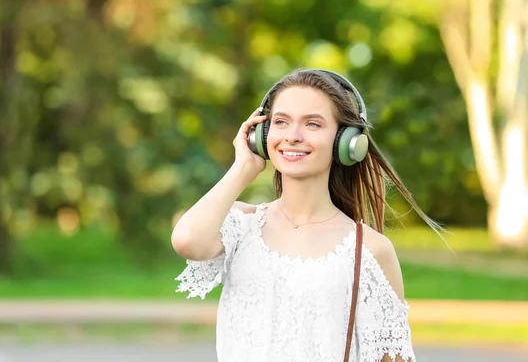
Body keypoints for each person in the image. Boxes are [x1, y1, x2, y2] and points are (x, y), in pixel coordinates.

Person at [172, 68, 443, 362]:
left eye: (313, 124)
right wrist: (243, 168)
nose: (293, 136)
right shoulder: (240, 226)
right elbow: (187, 241)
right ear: (261, 136)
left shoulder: (369, 250)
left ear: (347, 142)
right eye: (281, 122)